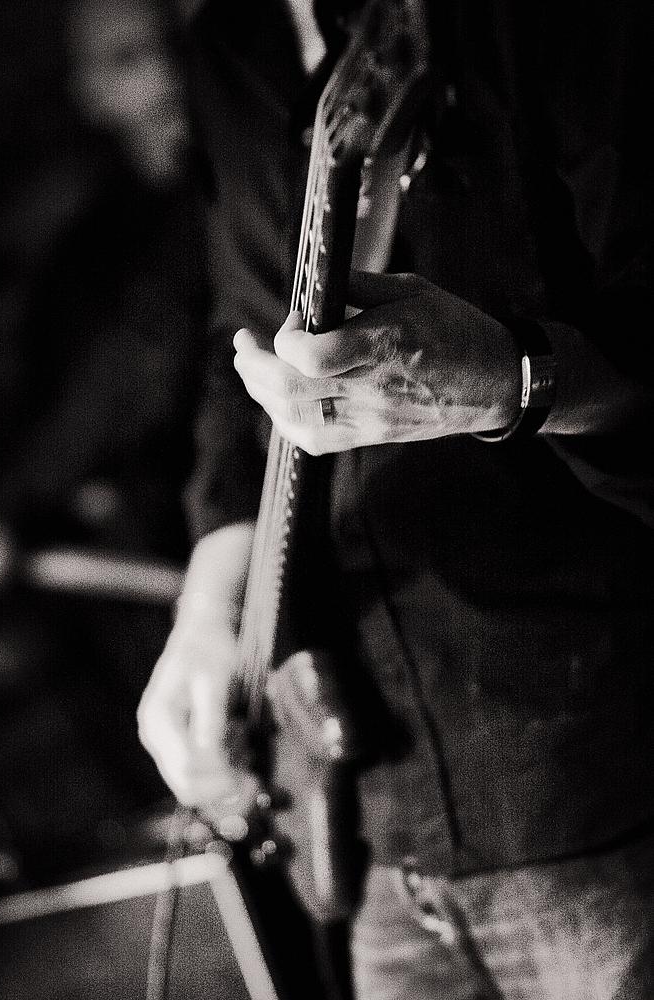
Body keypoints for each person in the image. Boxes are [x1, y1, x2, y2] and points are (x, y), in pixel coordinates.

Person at [138, 0, 654, 996]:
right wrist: (207, 609)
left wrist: (513, 378)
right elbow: (236, 346)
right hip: (362, 811)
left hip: (589, 778)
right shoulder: (227, 45)